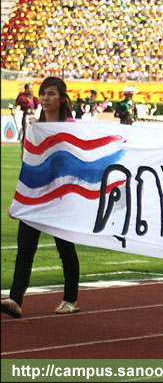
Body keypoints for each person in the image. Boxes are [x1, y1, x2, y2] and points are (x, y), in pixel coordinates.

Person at [1, 77, 80, 318]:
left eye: (51, 94)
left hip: (60, 199)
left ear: (62, 98)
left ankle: (70, 299)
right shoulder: (33, 125)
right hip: (35, 197)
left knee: (65, 249)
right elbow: (29, 165)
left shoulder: (72, 127)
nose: (45, 98)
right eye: (43, 94)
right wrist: (20, 200)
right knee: (25, 249)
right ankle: (15, 299)